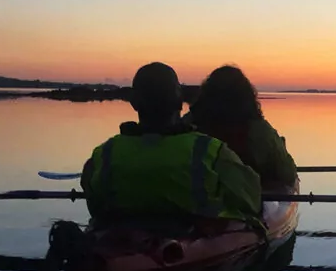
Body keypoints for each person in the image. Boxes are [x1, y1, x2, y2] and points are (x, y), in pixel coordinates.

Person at [80, 62, 263, 227]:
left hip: (117, 243)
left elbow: (94, 202)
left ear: (134, 103)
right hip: (195, 248)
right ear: (179, 101)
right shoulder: (209, 151)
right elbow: (252, 198)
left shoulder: (104, 154)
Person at [187, 65, 298, 189]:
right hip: (247, 200)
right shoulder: (260, 131)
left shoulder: (189, 125)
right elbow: (288, 174)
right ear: (248, 96)